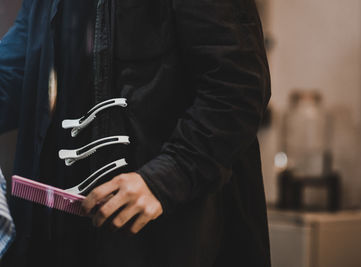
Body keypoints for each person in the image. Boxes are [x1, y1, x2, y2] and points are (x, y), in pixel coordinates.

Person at [0, 0, 271, 266]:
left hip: (172, 240)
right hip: (66, 239)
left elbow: (236, 92)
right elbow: (17, 70)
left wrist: (164, 180)